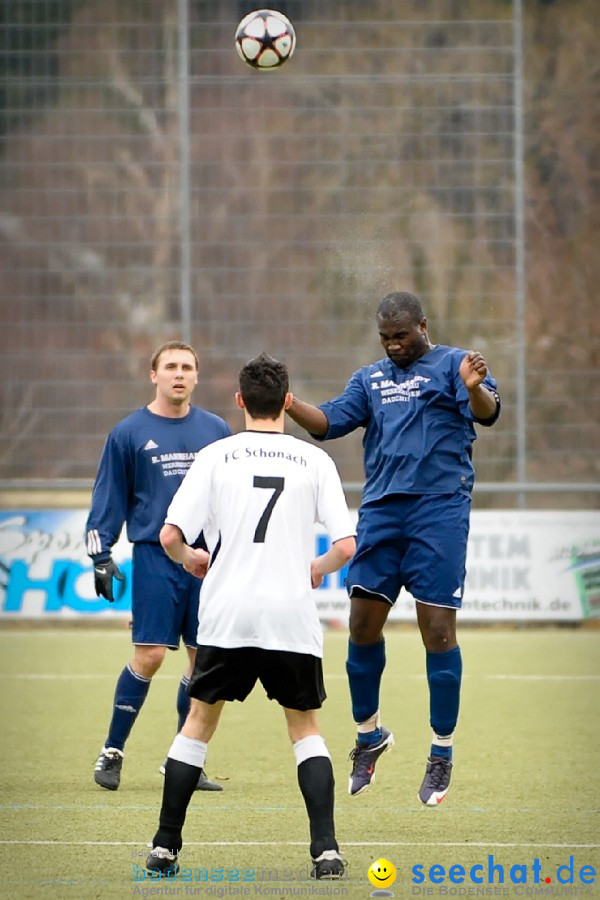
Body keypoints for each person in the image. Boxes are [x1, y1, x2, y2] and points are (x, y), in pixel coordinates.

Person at [144, 352, 356, 880]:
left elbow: (170, 536)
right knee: (305, 729)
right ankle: (325, 852)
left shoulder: (216, 456)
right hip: (289, 617)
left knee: (198, 724)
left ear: (240, 400)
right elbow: (347, 546)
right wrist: (317, 567)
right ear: (287, 401)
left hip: (228, 615)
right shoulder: (316, 462)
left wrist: (190, 558)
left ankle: (165, 848)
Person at [286, 291, 501, 805]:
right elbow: (330, 423)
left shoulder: (455, 364)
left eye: (401, 335)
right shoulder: (369, 378)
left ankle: (441, 752)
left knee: (438, 631)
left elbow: (488, 411)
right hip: (382, 512)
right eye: (385, 338)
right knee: (361, 626)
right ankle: (369, 737)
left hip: (439, 511)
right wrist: (290, 405)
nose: (393, 345)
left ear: (423, 326)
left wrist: (474, 390)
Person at [86, 340, 231, 793]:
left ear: (196, 376)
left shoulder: (217, 429)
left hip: (207, 561)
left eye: (187, 367)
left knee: (202, 663)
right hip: (154, 556)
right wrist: (101, 555)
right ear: (154, 375)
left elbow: (232, 497)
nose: (179, 374)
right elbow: (109, 497)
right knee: (148, 656)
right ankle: (112, 750)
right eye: (170, 366)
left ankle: (181, 759)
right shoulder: (128, 433)